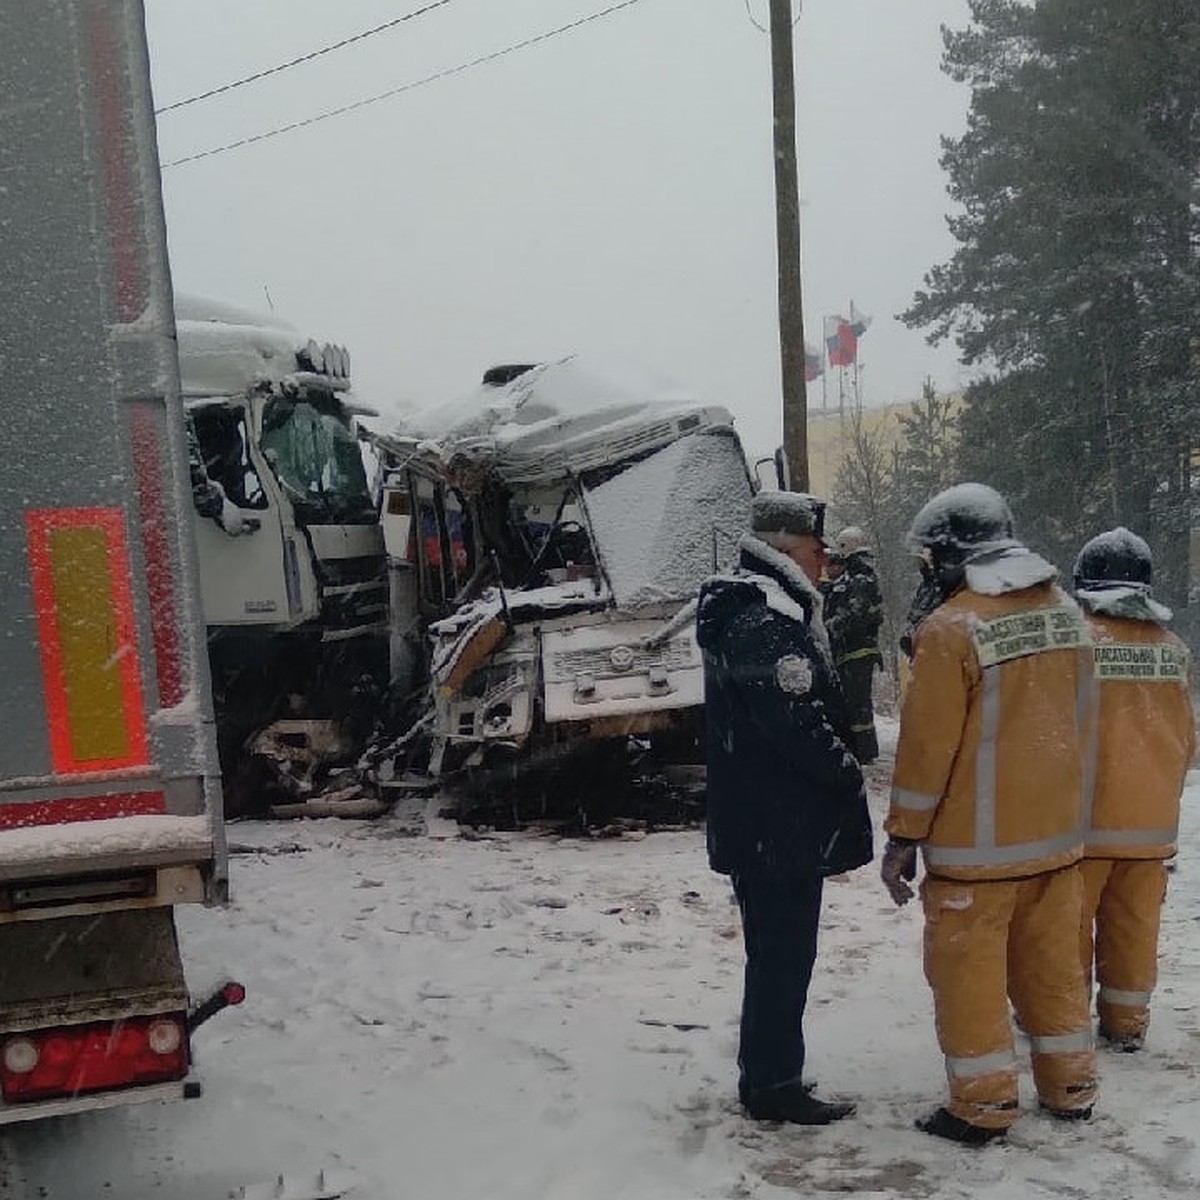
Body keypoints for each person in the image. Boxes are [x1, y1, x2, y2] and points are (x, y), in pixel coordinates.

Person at [881, 482, 1097, 1145]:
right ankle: (1071, 1086)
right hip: (1058, 847)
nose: (926, 571)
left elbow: (925, 752)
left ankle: (982, 1106)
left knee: (969, 980)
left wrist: (902, 839)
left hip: (976, 858)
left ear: (951, 554)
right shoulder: (1069, 615)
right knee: (1054, 971)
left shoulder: (951, 631)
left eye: (929, 559)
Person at [696, 490, 874, 1125]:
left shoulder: (755, 612)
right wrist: (844, 766)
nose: (825, 562)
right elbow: (797, 724)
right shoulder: (766, 622)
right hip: (778, 828)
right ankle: (774, 1086)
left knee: (775, 955)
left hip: (766, 824)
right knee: (782, 958)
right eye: (817, 551)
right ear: (784, 550)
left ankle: (769, 1076)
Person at [1072, 528, 1195, 1052]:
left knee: (1068, 929)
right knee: (1135, 927)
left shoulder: (1074, 641)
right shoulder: (1174, 650)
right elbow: (1187, 739)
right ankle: (1125, 1023)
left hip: (1083, 825)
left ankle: (1065, 1019)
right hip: (1150, 827)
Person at [822, 526, 884, 763]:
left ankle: (864, 751)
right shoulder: (858, 577)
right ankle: (861, 749)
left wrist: (830, 627)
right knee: (856, 703)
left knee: (858, 704)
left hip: (857, 650)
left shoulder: (861, 579)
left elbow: (854, 615)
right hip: (853, 650)